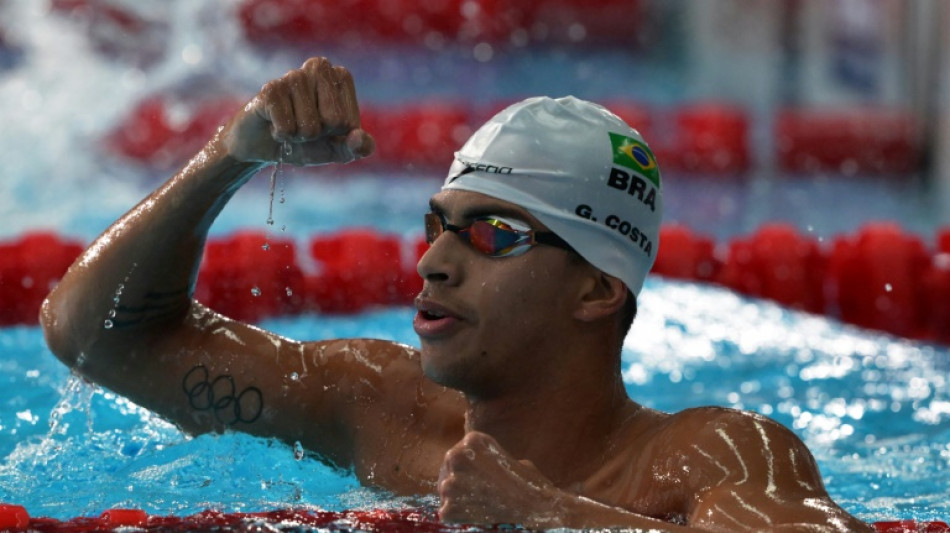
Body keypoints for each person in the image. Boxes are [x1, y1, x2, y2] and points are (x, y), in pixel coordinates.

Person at [41, 57, 871, 532]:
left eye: (493, 235)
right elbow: (93, 336)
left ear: (596, 287)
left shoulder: (705, 455)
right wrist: (230, 154)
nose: (434, 260)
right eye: (439, 223)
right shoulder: (376, 405)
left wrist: (552, 517)